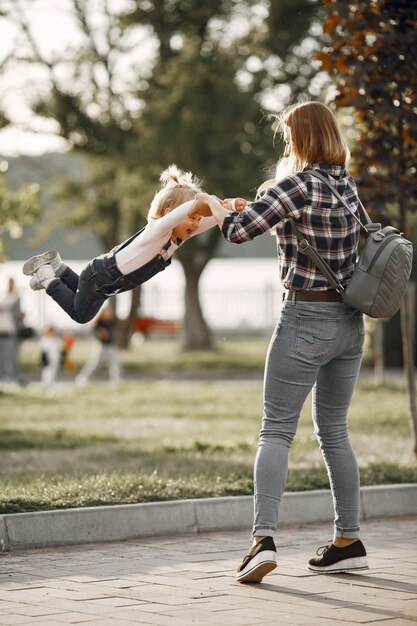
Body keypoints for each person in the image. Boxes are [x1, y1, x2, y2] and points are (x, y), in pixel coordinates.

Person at [196, 101, 368, 582]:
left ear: (304, 139)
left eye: (290, 135)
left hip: (305, 318)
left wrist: (207, 200)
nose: (286, 143)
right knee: (335, 432)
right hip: (351, 323)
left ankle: (262, 541)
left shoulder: (298, 184)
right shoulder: (346, 186)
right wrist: (254, 204)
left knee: (275, 431)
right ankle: (348, 540)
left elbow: (235, 232)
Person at [22, 165, 216, 324]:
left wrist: (230, 207)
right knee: (80, 315)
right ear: (169, 213)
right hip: (102, 277)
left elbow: (213, 218)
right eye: (193, 217)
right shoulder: (157, 231)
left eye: (199, 219)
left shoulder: (175, 240)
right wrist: (198, 204)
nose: (197, 224)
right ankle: (46, 276)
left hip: (102, 281)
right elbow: (180, 215)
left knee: (78, 297)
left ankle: (59, 268)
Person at [76, 306, 121, 385]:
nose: (109, 314)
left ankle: (116, 381)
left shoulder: (112, 322)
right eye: (107, 312)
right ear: (103, 314)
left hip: (110, 346)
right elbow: (95, 334)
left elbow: (116, 332)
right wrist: (100, 334)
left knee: (115, 364)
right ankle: (82, 380)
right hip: (100, 346)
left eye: (110, 313)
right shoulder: (98, 323)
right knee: (93, 364)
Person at [0, 277, 21, 382]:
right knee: (2, 358)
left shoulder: (15, 298)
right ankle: (3, 377)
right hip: (2, 332)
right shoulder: (5, 297)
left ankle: (15, 377)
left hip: (10, 332)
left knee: (12, 356)